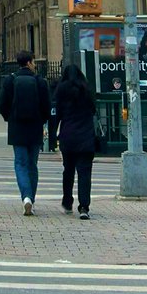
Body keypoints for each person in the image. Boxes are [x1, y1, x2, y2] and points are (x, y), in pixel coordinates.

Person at [0, 49, 51, 217]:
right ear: (29, 62)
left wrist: (10, 119)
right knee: (32, 165)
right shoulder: (40, 82)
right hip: (34, 128)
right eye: (33, 62)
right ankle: (31, 200)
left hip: (17, 128)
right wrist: (41, 120)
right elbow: (47, 107)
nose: (34, 65)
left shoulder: (10, 81)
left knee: (20, 163)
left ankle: (26, 197)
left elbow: (2, 104)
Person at [48, 63, 97, 220]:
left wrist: (52, 137)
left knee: (68, 170)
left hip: (68, 136)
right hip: (86, 136)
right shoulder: (87, 90)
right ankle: (84, 206)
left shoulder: (62, 90)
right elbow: (93, 110)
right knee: (84, 172)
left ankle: (67, 201)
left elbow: (57, 115)